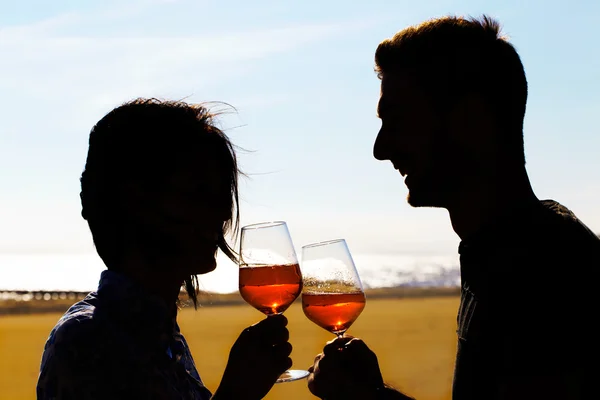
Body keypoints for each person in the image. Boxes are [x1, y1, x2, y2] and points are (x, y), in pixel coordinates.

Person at [307, 15, 599, 400]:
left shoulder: (548, 274)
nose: (381, 149)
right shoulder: (505, 249)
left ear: (471, 119)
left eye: (397, 120)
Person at [37, 98, 293, 400]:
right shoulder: (88, 343)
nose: (224, 211)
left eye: (222, 192)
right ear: (137, 202)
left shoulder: (152, 331)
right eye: (199, 191)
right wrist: (236, 393)